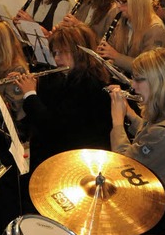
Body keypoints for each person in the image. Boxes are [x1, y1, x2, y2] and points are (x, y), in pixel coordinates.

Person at [109, 48, 165, 235]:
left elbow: (124, 164)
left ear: (159, 82)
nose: (133, 86)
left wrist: (117, 121)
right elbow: (148, 133)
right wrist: (131, 115)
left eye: (139, 80)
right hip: (161, 195)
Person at [15, 25, 112, 174]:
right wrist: (34, 83)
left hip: (78, 162)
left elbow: (53, 127)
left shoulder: (89, 83)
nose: (57, 58)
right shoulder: (70, 75)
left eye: (63, 52)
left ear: (79, 52)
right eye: (55, 53)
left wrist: (30, 94)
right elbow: (52, 102)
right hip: (64, 153)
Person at [96, 0, 165, 74]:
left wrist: (116, 56)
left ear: (137, 1)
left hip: (146, 85)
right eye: (116, 0)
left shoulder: (155, 29)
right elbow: (111, 48)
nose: (118, 5)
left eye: (123, 1)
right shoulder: (123, 21)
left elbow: (148, 69)